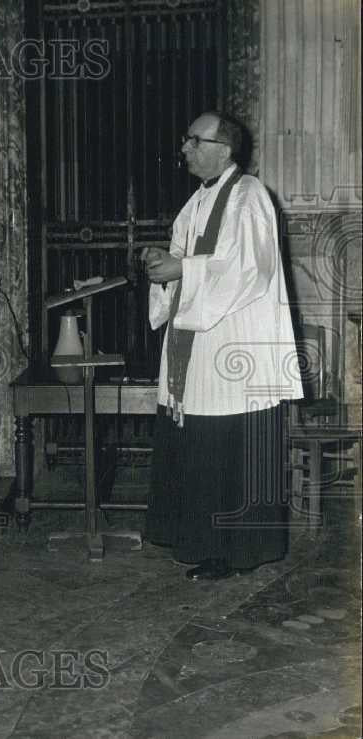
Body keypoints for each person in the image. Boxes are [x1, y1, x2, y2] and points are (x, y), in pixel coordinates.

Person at [143, 111, 302, 581]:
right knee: (202, 446)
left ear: (224, 149)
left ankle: (234, 551)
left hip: (232, 345)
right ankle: (200, 542)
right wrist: (164, 264)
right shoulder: (196, 202)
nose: (184, 148)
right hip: (198, 344)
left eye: (194, 140)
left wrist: (183, 270)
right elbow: (190, 259)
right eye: (187, 139)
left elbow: (249, 268)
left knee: (227, 449)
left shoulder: (249, 195)